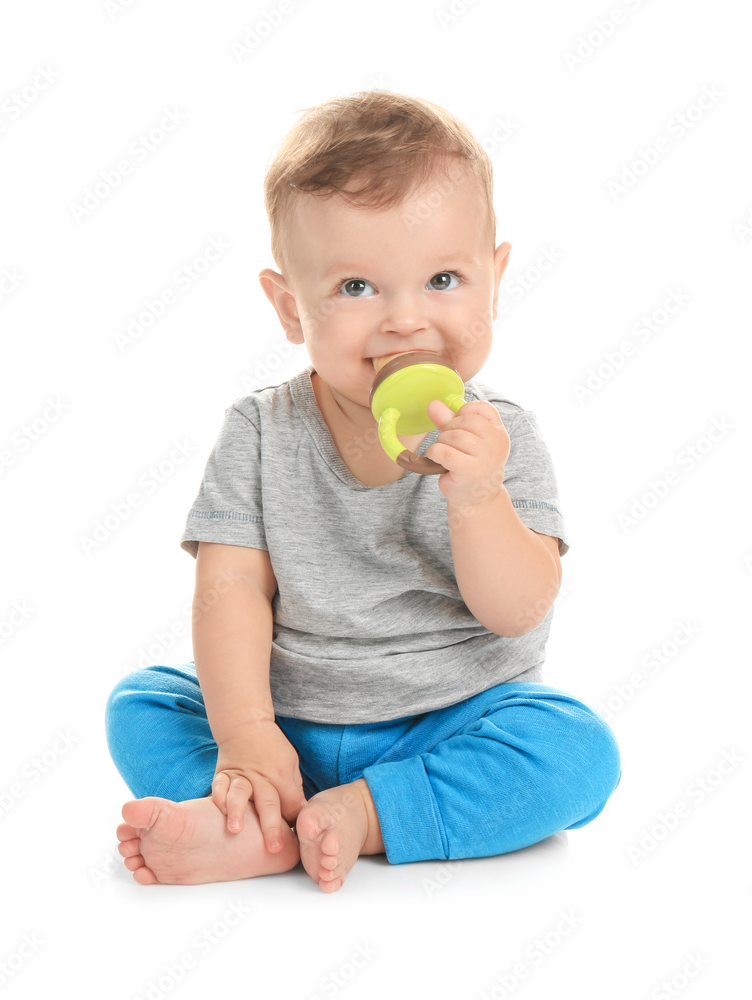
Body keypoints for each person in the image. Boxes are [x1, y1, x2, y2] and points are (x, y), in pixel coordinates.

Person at [105, 89, 621, 893]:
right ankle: (261, 810)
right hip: (287, 722)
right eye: (355, 289)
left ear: (495, 282)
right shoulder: (259, 431)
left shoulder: (502, 438)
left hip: (454, 718)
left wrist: (477, 495)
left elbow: (516, 612)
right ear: (288, 307)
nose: (404, 321)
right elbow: (230, 588)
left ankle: (361, 814)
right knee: (143, 703)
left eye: (443, 278)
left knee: (574, 753)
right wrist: (245, 733)